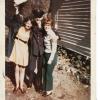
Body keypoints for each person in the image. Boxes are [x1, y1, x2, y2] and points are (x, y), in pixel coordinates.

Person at [9, 17, 33, 94]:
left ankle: (21, 86)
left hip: (24, 49)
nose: (29, 25)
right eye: (28, 23)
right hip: (17, 47)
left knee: (22, 69)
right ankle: (17, 86)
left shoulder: (31, 32)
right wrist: (17, 11)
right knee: (16, 68)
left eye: (30, 23)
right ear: (25, 22)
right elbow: (12, 21)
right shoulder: (19, 27)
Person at [42, 19, 59, 96]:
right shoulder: (46, 33)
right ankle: (45, 88)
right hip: (46, 54)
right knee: (44, 71)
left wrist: (50, 60)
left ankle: (49, 91)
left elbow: (54, 49)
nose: (46, 26)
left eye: (48, 25)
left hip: (51, 56)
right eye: (45, 24)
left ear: (51, 26)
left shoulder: (52, 35)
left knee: (48, 73)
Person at [28, 14, 44, 93]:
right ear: (34, 18)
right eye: (36, 18)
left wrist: (57, 35)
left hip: (41, 51)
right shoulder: (32, 25)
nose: (38, 20)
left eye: (39, 18)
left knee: (40, 69)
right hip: (33, 49)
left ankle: (38, 85)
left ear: (41, 18)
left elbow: (52, 30)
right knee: (31, 67)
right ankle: (30, 82)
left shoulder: (44, 26)